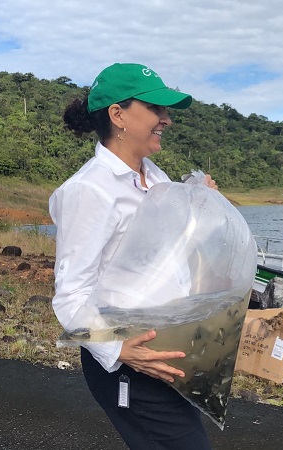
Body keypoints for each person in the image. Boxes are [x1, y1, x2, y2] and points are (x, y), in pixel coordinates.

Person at [49, 63, 216, 449]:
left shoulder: (154, 177)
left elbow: (176, 245)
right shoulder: (90, 191)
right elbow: (72, 293)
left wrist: (201, 198)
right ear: (118, 115)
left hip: (163, 342)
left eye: (166, 111)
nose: (166, 120)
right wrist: (119, 349)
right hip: (129, 357)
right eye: (156, 109)